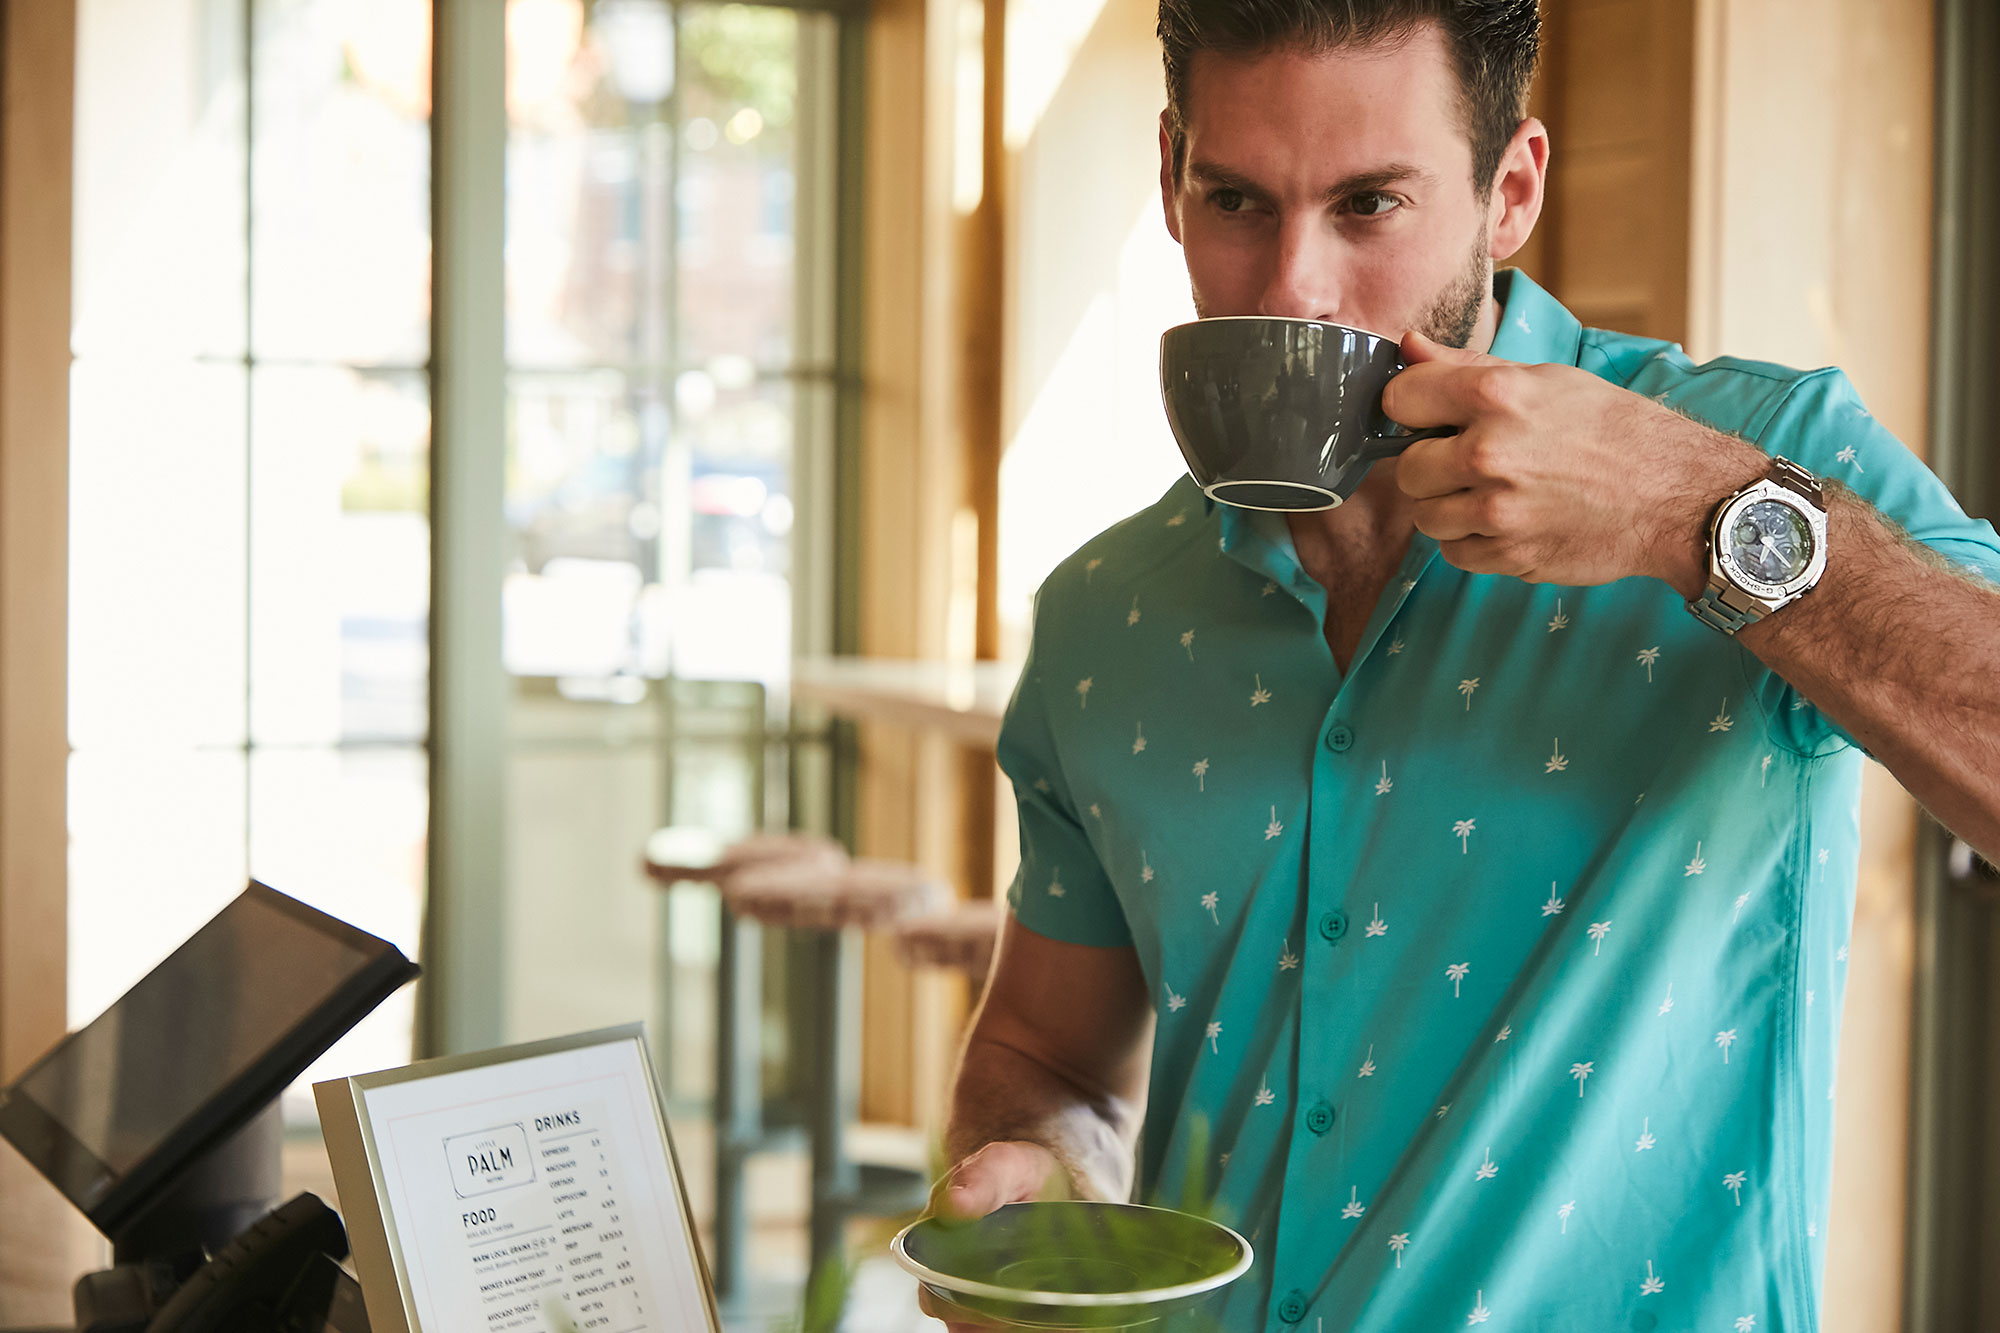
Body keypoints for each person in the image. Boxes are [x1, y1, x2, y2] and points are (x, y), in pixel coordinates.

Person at [922, 1, 2000, 1329]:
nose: (1290, 290)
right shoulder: (1103, 618)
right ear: (1167, 180)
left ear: (1512, 192)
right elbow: (1050, 1060)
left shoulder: (1771, 461)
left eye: (1369, 204)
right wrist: (1047, 1190)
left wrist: (1691, 513)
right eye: (1237, 201)